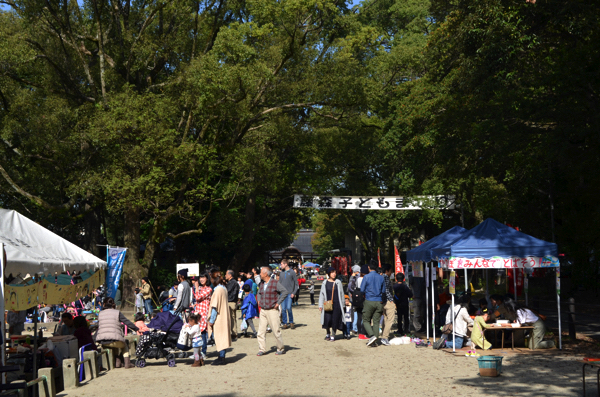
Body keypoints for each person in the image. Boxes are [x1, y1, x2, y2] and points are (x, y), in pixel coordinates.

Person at [95, 297, 138, 368]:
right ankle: (127, 363)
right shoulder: (117, 313)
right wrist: (136, 329)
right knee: (124, 344)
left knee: (113, 343)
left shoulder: (100, 314)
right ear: (113, 304)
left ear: (104, 304)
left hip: (103, 341)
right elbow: (127, 322)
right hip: (116, 341)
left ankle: (117, 362)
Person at [256, 266, 289, 356]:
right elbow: (259, 293)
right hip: (263, 310)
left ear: (266, 274)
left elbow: (285, 292)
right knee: (261, 331)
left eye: (261, 272)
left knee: (276, 331)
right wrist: (259, 300)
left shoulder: (275, 283)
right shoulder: (261, 283)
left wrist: (278, 303)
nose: (259, 274)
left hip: (272, 310)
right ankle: (262, 349)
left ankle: (280, 349)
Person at [208, 268, 231, 365]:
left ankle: (221, 357)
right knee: (223, 336)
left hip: (219, 317)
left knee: (219, 336)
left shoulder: (218, 290)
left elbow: (214, 306)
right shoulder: (224, 288)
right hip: (224, 315)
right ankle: (221, 356)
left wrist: (211, 320)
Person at [360, 261, 386, 346]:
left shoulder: (366, 277)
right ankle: (376, 340)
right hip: (379, 301)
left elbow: (362, 290)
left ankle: (371, 336)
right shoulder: (381, 277)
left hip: (369, 300)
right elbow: (383, 291)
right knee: (376, 321)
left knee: (366, 320)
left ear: (368, 268)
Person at [318, 267, 345, 342]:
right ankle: (328, 332)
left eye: (335, 272)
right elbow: (322, 295)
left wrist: (343, 305)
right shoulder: (325, 282)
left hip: (337, 304)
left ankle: (333, 334)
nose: (334, 274)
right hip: (328, 304)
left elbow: (342, 294)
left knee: (335, 319)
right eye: (332, 272)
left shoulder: (338, 282)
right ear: (329, 273)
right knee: (327, 319)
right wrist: (320, 305)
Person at [192, 272, 212, 360]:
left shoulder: (209, 289)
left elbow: (198, 297)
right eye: (200, 278)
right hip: (197, 313)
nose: (201, 279)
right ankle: (197, 353)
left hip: (204, 314)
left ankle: (203, 352)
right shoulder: (199, 288)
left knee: (203, 334)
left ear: (207, 278)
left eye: (203, 277)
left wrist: (196, 288)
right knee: (196, 333)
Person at [278, 259, 298, 329]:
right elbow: (279, 283)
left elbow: (296, 284)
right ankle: (285, 323)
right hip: (282, 294)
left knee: (289, 308)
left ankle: (291, 322)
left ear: (285, 264)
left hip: (290, 293)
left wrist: (294, 292)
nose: (281, 266)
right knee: (283, 309)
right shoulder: (281, 273)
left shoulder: (292, 272)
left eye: (282, 264)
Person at [380, 264, 396, 346]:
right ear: (387, 271)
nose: (392, 272)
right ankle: (385, 337)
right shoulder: (385, 277)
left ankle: (383, 335)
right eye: (391, 270)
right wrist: (391, 300)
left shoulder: (381, 277)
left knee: (385, 318)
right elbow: (386, 290)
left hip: (382, 301)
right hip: (387, 301)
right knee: (390, 319)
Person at [225, 270, 240, 339]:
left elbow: (228, 291)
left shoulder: (232, 283)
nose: (225, 275)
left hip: (230, 301)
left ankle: (234, 333)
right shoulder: (234, 282)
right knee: (232, 318)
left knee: (231, 318)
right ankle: (234, 332)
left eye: (226, 274)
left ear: (230, 275)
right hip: (232, 301)